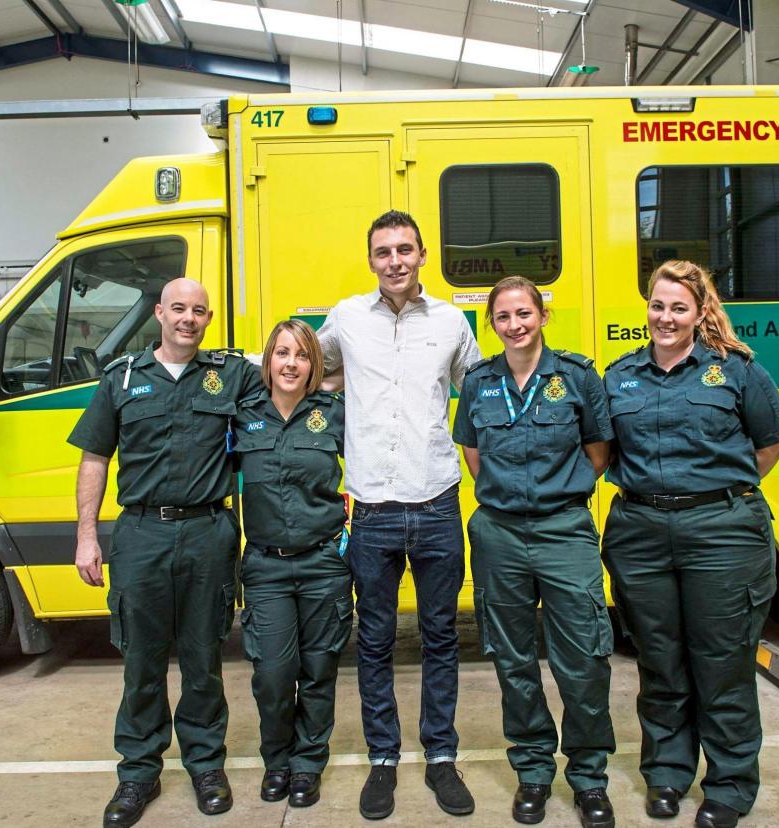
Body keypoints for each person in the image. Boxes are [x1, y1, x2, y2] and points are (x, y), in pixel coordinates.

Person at [601, 261, 779, 828]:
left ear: (700, 312)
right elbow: (606, 452)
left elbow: (772, 445)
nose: (665, 317)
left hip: (723, 535)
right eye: (658, 306)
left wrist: (714, 492)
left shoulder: (737, 372)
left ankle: (730, 786)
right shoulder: (620, 376)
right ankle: (666, 773)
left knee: (722, 662)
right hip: (641, 534)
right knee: (659, 661)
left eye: (678, 307)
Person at [69, 278, 264, 827]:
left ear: (208, 319)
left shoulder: (231, 376)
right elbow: (93, 460)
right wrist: (87, 535)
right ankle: (138, 774)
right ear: (159, 312)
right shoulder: (123, 379)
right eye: (179, 308)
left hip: (208, 532)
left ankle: (205, 764)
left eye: (199, 311)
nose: (189, 319)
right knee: (141, 661)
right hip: (141, 536)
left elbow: (291, 374)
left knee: (204, 659)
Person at [316, 210, 482, 820]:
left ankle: (441, 756)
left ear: (422, 256)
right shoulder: (346, 318)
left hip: (437, 499)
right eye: (383, 251)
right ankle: (383, 760)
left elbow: (480, 396)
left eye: (404, 250)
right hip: (373, 509)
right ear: (370, 260)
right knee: (377, 641)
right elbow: (305, 367)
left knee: (441, 639)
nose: (394, 261)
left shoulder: (451, 322)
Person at [452, 276, 617, 828]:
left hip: (563, 530)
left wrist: (551, 495)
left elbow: (597, 451)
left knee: (584, 661)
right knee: (512, 660)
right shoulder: (478, 382)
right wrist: (511, 499)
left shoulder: (575, 376)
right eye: (503, 317)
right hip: (499, 534)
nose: (515, 324)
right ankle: (533, 772)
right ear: (492, 324)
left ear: (542, 316)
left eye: (524, 313)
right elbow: (474, 454)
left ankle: (590, 778)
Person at [231, 319, 351, 809]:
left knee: (320, 670)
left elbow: (371, 471)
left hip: (324, 563)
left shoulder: (333, 413)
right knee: (274, 674)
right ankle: (276, 759)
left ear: (313, 365)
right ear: (268, 360)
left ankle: (307, 764)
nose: (291, 363)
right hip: (266, 568)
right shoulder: (243, 416)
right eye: (282, 353)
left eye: (301, 355)